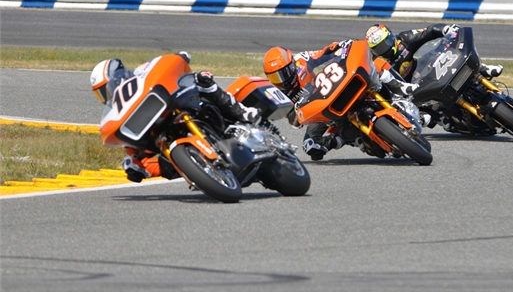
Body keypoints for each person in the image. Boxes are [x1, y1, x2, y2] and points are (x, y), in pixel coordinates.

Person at [90, 51, 260, 183]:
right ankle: (201, 172)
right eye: (101, 93)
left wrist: (178, 59)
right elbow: (133, 150)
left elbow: (159, 68)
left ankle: (242, 111)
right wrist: (134, 163)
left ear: (117, 77)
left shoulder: (140, 75)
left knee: (202, 79)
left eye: (105, 89)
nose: (107, 95)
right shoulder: (122, 112)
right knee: (162, 166)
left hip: (182, 105)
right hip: (165, 134)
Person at [262, 41, 418, 161]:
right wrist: (297, 111)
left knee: (373, 63)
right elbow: (294, 121)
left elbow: (325, 53)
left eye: (283, 72)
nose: (281, 79)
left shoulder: (301, 60)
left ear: (290, 64)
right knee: (311, 146)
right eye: (275, 77)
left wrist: (341, 47)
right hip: (319, 109)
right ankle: (347, 138)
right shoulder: (280, 93)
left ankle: (401, 89)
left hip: (332, 87)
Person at [364, 23, 503, 81]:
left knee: (439, 55)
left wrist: (445, 29)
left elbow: (428, 32)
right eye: (378, 48)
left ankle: (483, 68)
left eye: (385, 44)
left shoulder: (405, 38)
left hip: (422, 68)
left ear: (391, 37)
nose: (384, 49)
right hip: (409, 90)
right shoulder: (376, 63)